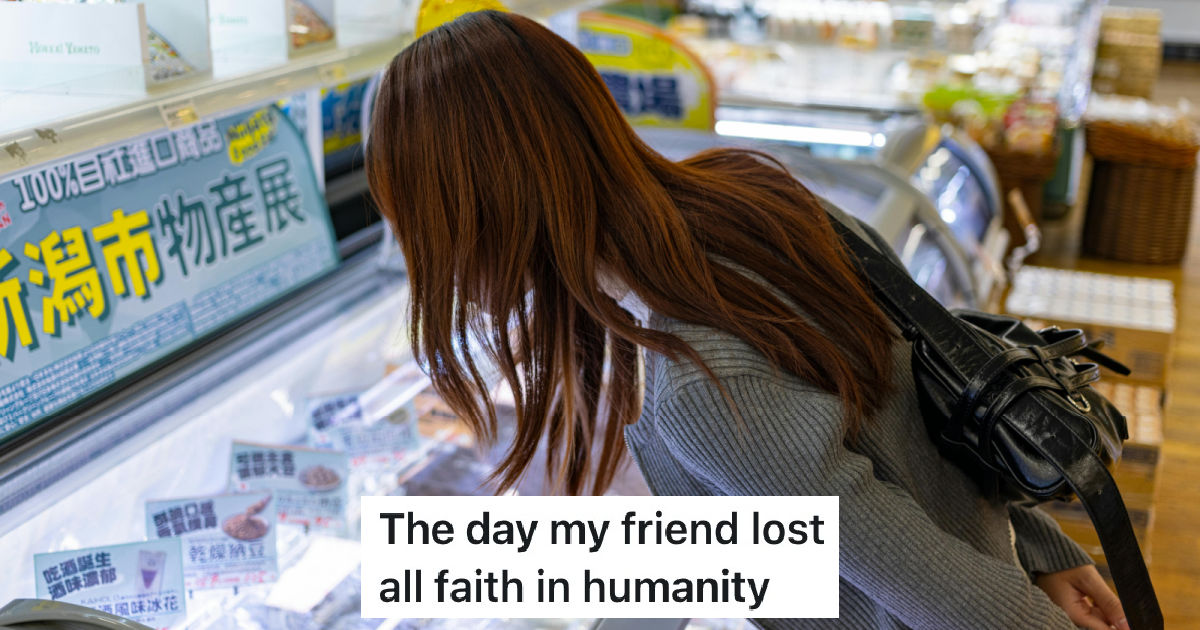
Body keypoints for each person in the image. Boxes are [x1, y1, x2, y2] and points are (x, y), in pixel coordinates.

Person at [366, 10, 1128, 630]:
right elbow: (934, 399)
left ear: (477, 211)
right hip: (996, 557)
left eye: (421, 223)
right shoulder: (757, 198)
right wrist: (1041, 547)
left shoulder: (696, 380)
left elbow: (917, 576)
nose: (420, 254)